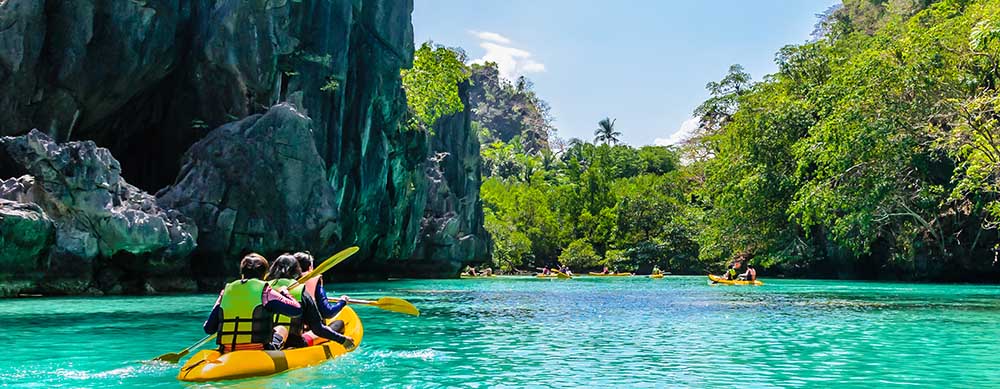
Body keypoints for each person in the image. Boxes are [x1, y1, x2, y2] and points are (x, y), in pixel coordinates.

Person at [203, 253, 303, 352]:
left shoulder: (225, 292)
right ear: (264, 275)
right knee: (281, 328)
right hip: (259, 349)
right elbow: (296, 310)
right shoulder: (265, 291)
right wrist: (284, 292)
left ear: (242, 274)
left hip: (227, 350)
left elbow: (209, 329)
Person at [268, 254, 355, 350]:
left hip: (268, 341)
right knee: (338, 324)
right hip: (295, 343)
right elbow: (318, 328)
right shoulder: (301, 291)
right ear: (297, 270)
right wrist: (343, 340)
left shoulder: (265, 289)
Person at [292, 251, 347, 320]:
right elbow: (328, 312)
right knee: (341, 323)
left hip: (285, 326)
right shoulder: (314, 282)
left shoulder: (283, 282)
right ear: (310, 267)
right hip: (309, 327)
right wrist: (342, 301)